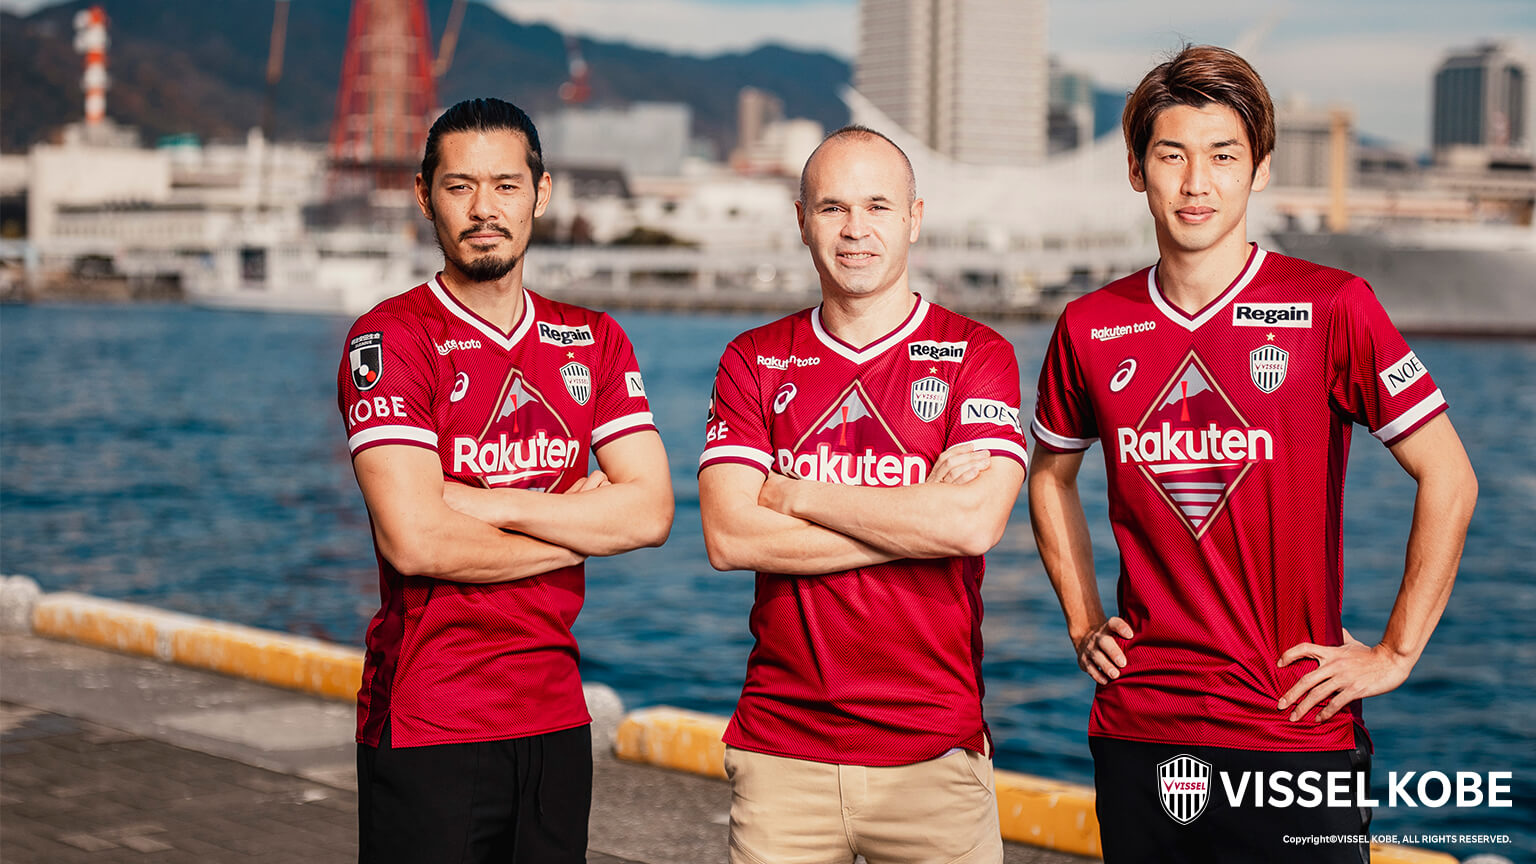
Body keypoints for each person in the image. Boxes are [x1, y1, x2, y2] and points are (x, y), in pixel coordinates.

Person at [1027, 46, 1477, 863]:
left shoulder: (1333, 306)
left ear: (1260, 170)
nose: (1196, 183)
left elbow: (1448, 475)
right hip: (1141, 725)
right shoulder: (1090, 325)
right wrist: (1084, 620)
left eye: (1223, 156)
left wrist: (1396, 652)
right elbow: (1051, 475)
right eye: (1172, 155)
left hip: (1295, 727)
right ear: (1136, 170)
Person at [336, 97, 673, 864]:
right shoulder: (391, 338)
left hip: (556, 720)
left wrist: (486, 505)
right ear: (425, 197)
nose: (484, 209)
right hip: (430, 721)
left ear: (540, 193)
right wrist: (577, 534)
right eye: (459, 187)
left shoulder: (593, 339)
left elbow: (650, 512)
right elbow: (418, 542)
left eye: (505, 185)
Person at [698, 125, 1027, 864]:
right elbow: (730, 536)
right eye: (833, 207)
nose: (855, 229)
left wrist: (797, 494)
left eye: (878, 206)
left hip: (933, 757)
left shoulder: (978, 355)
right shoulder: (753, 359)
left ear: (914, 218)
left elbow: (972, 526)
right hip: (782, 755)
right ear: (802, 220)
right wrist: (915, 518)